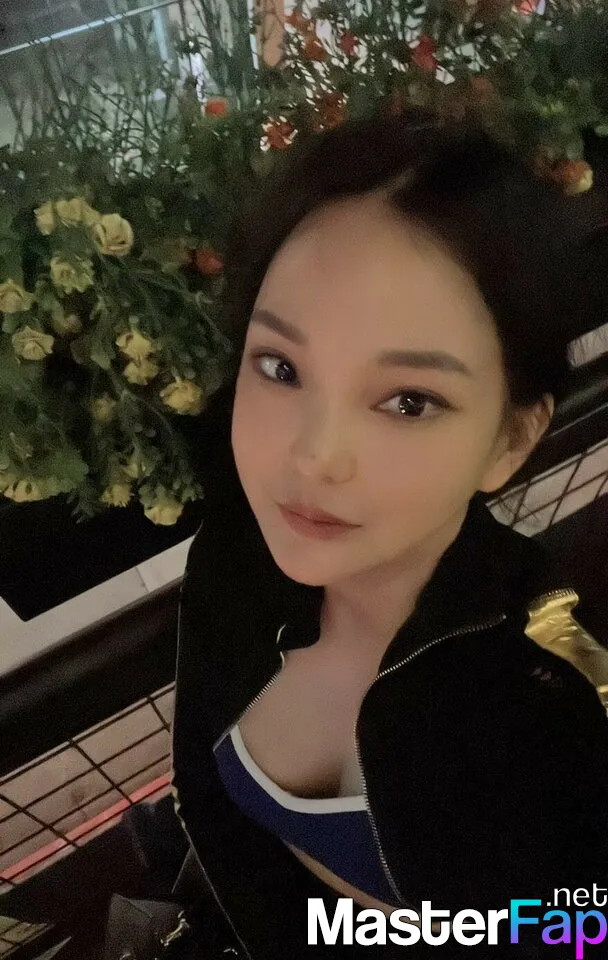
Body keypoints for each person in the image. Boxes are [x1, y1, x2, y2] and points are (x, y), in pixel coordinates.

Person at [170, 109, 608, 959]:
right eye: (281, 367)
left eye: (408, 401)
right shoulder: (233, 561)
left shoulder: (557, 702)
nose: (314, 456)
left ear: (511, 438)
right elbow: (231, 841)